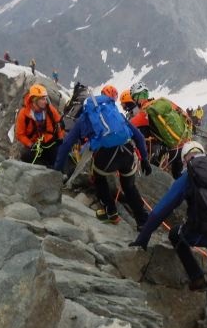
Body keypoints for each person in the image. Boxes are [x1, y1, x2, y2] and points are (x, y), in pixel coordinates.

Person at [130, 143, 207, 328]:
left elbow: (161, 210)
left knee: (175, 235)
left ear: (185, 159)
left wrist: (144, 237)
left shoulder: (188, 176)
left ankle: (196, 277)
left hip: (197, 233)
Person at [53, 87, 151, 226]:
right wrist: (145, 159)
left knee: (98, 178)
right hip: (127, 152)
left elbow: (66, 145)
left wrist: (56, 170)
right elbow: (139, 136)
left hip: (106, 157)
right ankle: (143, 221)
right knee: (129, 187)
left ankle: (111, 212)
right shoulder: (115, 113)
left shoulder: (84, 118)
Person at [129, 83, 192, 179]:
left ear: (138, 97)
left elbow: (129, 125)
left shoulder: (145, 111)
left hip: (173, 149)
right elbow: (183, 114)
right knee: (180, 174)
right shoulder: (162, 101)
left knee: (157, 173)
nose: (134, 101)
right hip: (185, 141)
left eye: (134, 98)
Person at [15, 84, 64, 168]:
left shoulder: (50, 109)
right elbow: (20, 134)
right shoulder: (23, 114)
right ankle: (44, 168)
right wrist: (30, 144)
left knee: (59, 157)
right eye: (42, 99)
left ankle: (51, 168)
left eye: (45, 98)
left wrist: (60, 138)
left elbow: (59, 123)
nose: (45, 101)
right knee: (25, 155)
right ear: (34, 100)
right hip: (35, 145)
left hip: (50, 142)